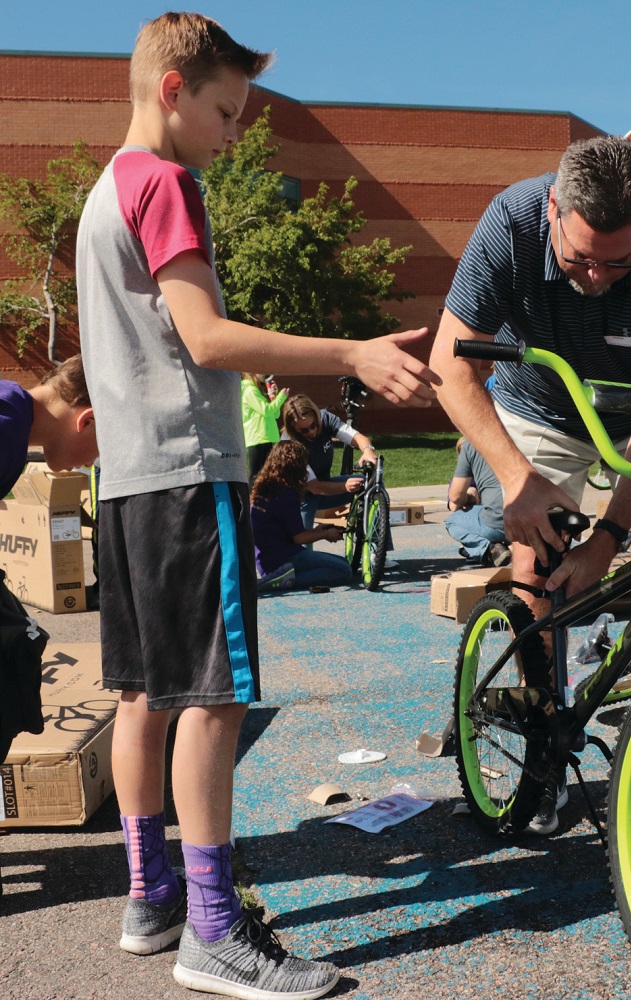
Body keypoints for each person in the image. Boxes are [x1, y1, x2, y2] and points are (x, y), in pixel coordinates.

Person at [75, 13, 437, 999]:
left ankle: (153, 897)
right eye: (227, 113)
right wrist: (352, 353)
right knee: (214, 697)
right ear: (173, 91)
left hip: (131, 485)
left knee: (146, 695)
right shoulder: (162, 182)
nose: (234, 136)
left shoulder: (103, 193)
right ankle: (213, 928)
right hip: (190, 478)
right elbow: (206, 337)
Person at [430, 134, 631, 836]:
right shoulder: (511, 223)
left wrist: (610, 539)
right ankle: (539, 756)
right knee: (534, 564)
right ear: (554, 208)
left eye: (617, 262)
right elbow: (448, 363)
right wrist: (519, 483)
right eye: (579, 256)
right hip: (538, 406)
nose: (595, 277)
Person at [250, 440, 352, 591]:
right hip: (285, 557)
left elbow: (290, 533)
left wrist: (318, 530)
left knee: (341, 562)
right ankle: (287, 580)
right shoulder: (287, 493)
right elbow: (299, 538)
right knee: (344, 570)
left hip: (266, 559)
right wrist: (325, 535)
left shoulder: (262, 489)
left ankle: (283, 577)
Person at [1, 355, 97, 499]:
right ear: (87, 421)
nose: (89, 464)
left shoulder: (11, 412)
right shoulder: (7, 430)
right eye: (101, 450)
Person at [281, 393, 373, 532]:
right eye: (304, 430)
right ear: (293, 429)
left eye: (314, 425)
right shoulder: (289, 445)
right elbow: (315, 487)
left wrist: (368, 450)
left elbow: (357, 437)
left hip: (324, 490)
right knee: (303, 549)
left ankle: (378, 546)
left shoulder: (326, 418)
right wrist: (345, 486)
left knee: (369, 483)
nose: (312, 431)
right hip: (300, 498)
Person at [445, 437, 509, 567]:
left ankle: (489, 548)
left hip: (499, 522)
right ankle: (494, 548)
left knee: (452, 521)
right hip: (532, 513)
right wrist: (470, 496)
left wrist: (469, 497)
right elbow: (453, 503)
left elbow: (455, 498)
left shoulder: (472, 445)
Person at [240, 372, 287, 483]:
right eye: (260, 370)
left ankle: (264, 498)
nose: (265, 373)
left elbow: (275, 415)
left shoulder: (257, 390)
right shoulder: (249, 390)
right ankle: (251, 499)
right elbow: (266, 411)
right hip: (258, 438)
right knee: (256, 475)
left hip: (267, 437)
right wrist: (281, 397)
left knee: (269, 474)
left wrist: (273, 397)